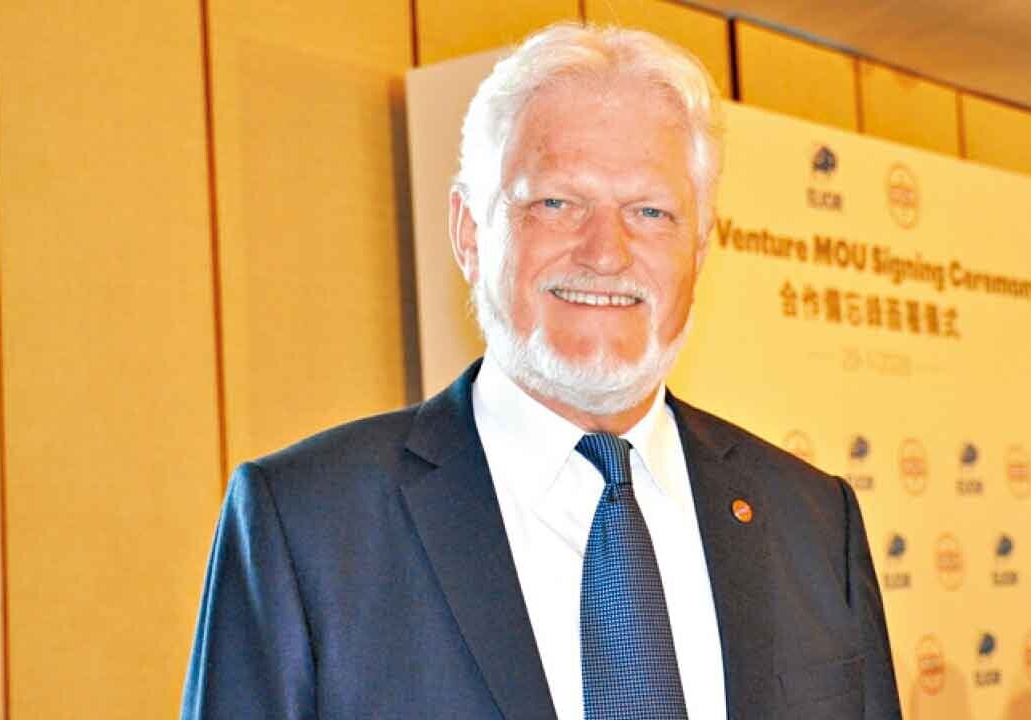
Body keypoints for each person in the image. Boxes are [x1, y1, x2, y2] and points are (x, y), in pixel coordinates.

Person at [181, 22, 900, 720]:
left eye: (650, 212)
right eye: (556, 203)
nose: (606, 253)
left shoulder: (812, 521)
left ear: (700, 248)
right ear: (469, 232)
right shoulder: (307, 523)